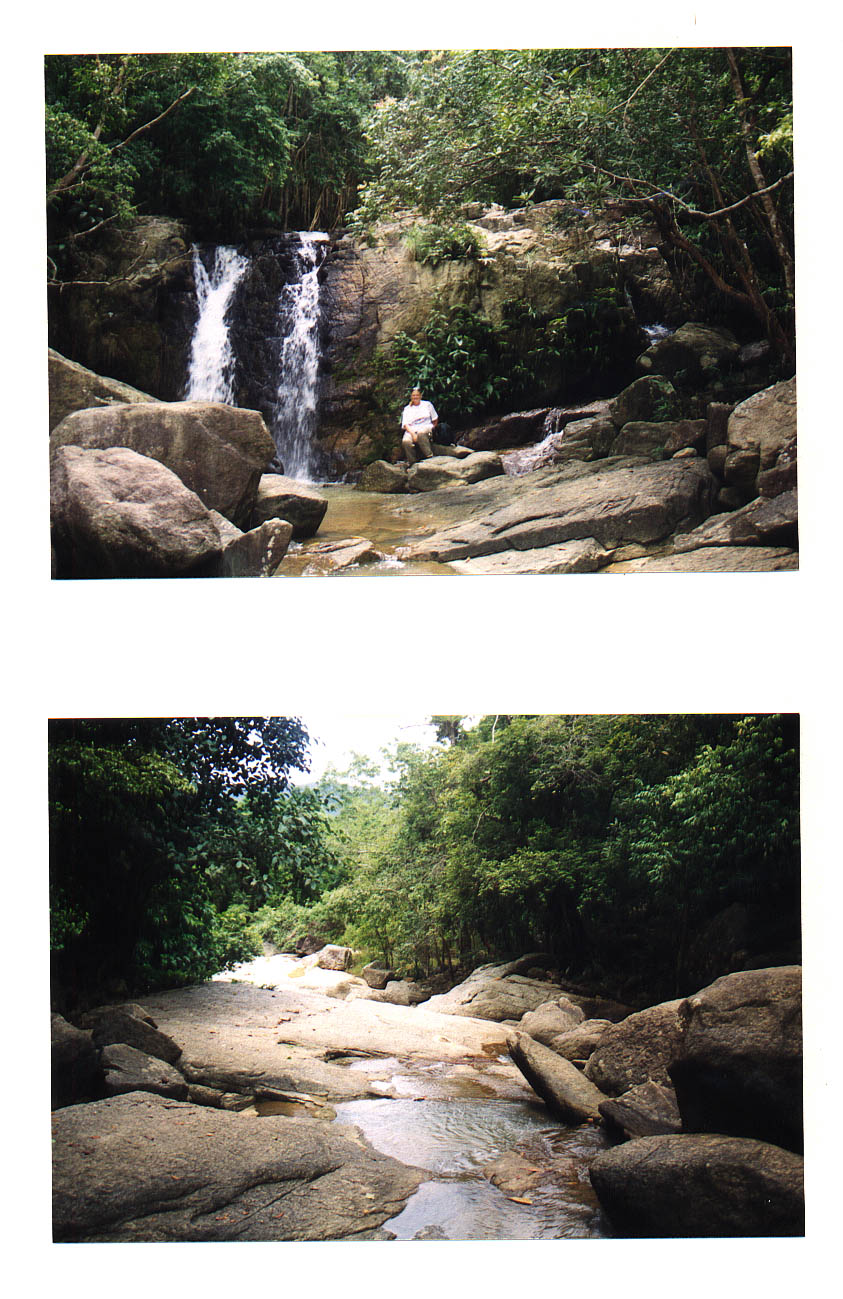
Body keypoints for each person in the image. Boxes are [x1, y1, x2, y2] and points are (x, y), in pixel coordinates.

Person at [400, 387, 439, 466]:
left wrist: (433, 429)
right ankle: (413, 463)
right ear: (411, 397)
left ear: (420, 396)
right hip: (412, 429)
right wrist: (413, 434)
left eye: (417, 395)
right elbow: (405, 424)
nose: (415, 397)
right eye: (413, 395)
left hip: (426, 427)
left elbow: (435, 419)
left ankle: (430, 456)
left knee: (421, 433)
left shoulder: (427, 404)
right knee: (405, 442)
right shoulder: (407, 409)